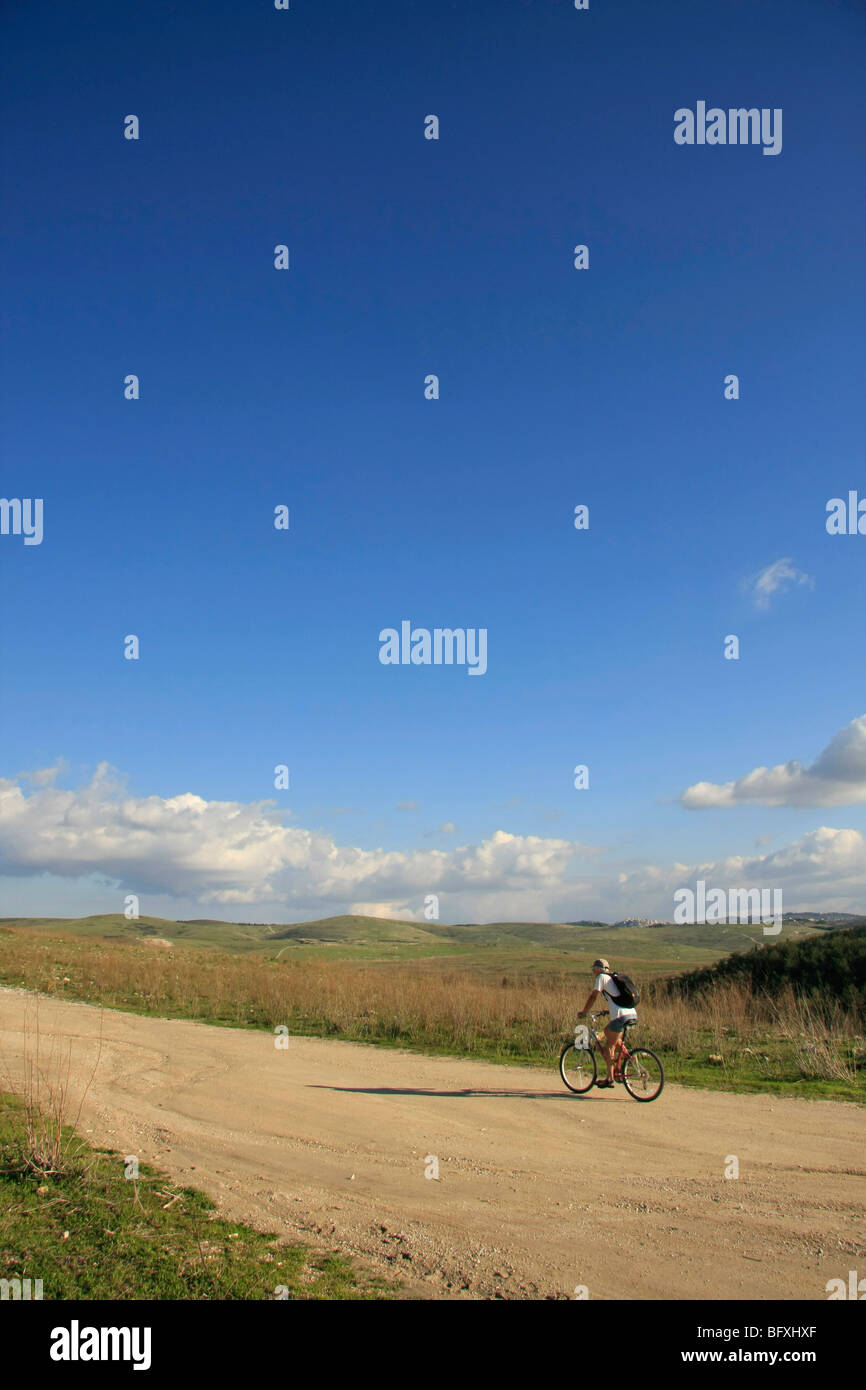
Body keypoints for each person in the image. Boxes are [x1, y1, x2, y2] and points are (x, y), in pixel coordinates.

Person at [578, 958, 637, 1088]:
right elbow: (618, 1000)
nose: (593, 972)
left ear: (598, 969)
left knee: (608, 1046)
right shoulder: (613, 979)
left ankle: (609, 1078)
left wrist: (584, 1012)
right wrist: (607, 1011)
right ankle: (627, 1061)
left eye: (594, 969)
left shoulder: (601, 978)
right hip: (631, 1013)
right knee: (613, 1038)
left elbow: (593, 996)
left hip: (620, 1017)